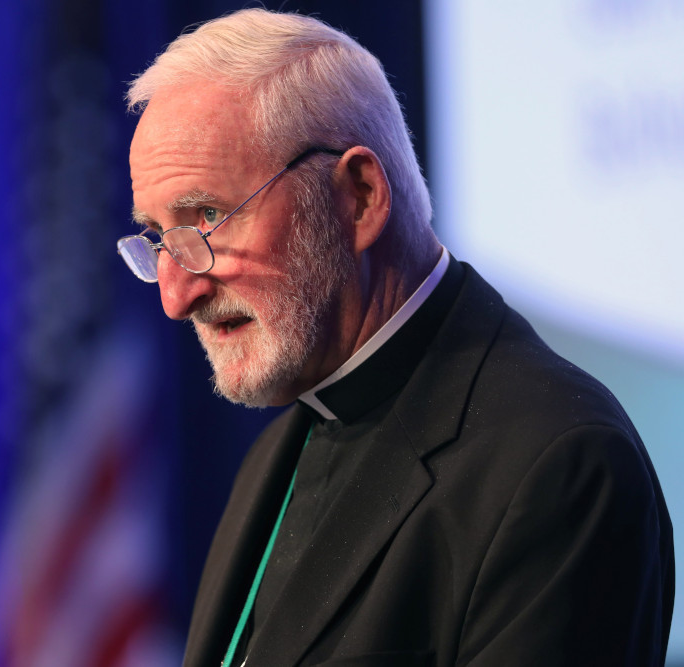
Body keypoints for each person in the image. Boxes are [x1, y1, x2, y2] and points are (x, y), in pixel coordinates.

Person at [116, 8, 674, 667]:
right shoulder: (275, 454)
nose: (177, 296)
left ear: (359, 195)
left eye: (208, 220)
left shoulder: (556, 464)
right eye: (157, 239)